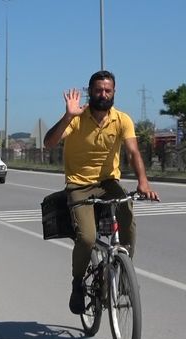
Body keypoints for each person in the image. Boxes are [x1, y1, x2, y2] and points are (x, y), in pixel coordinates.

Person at [44, 70, 159, 315]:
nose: (103, 94)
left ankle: (123, 270)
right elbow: (49, 143)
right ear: (90, 92)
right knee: (86, 238)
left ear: (114, 92)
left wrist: (143, 182)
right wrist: (67, 116)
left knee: (127, 213)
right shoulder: (77, 118)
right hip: (78, 185)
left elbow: (133, 152)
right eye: (98, 90)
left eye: (108, 90)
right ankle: (77, 284)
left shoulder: (122, 119)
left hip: (108, 182)